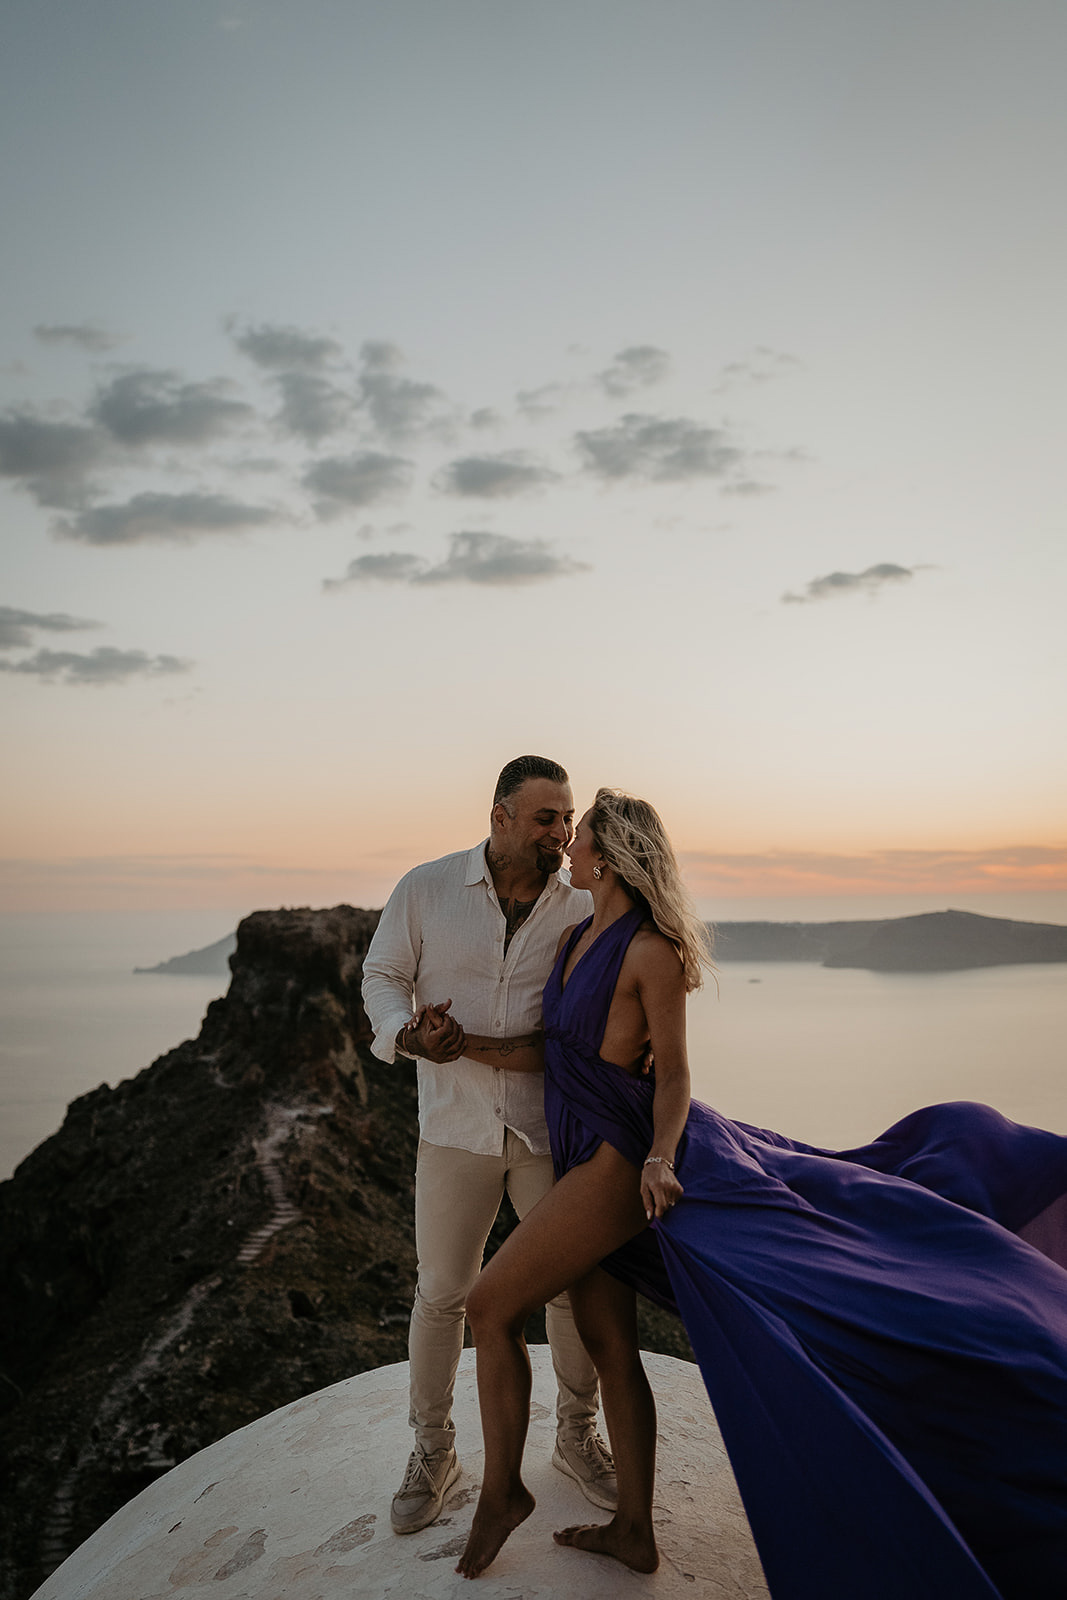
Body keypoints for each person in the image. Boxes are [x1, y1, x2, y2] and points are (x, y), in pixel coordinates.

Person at [455, 788, 1067, 1598]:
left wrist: (659, 1158)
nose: (568, 843)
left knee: (489, 1305)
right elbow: (555, 1049)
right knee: (609, 1349)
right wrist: (463, 1046)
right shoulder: (574, 937)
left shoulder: (650, 950)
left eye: (581, 834)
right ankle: (633, 1530)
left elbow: (671, 1073)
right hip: (574, 1154)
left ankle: (503, 1493)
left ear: (608, 854)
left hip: (613, 1159)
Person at [361, 755, 616, 1536]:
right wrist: (406, 1036)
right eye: (545, 817)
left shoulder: (580, 904)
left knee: (570, 1288)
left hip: (548, 1129)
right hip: (454, 1128)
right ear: (499, 816)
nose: (561, 832)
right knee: (442, 1292)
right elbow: (382, 973)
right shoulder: (428, 887)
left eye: (566, 819)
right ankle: (433, 1452)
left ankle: (576, 1438)